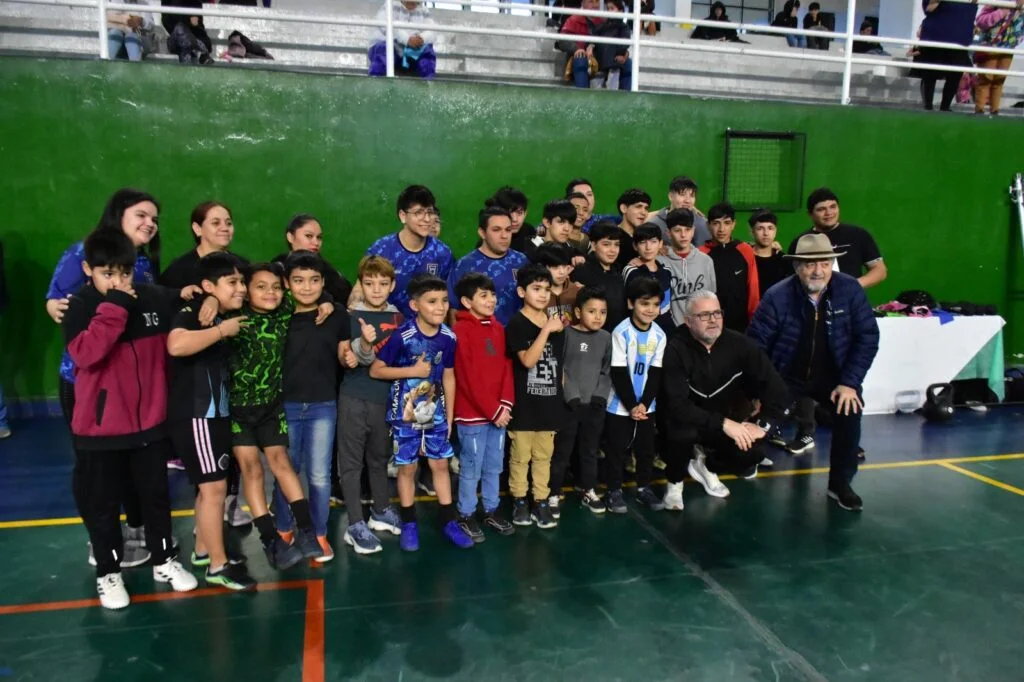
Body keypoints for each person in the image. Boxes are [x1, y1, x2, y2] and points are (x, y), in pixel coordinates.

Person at [63, 230, 199, 609]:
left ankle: (164, 560)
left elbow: (179, 298)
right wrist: (115, 307)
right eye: (107, 274)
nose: (118, 282)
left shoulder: (151, 297)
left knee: (155, 499)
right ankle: (108, 573)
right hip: (99, 431)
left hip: (150, 426)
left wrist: (197, 295)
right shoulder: (80, 307)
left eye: (124, 273)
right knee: (103, 505)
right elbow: (86, 355)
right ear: (88, 269)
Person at [46, 188, 177, 568]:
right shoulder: (83, 253)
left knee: (138, 463)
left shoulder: (142, 263)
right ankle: (101, 541)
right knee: (94, 470)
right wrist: (69, 309)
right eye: (141, 215)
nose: (149, 224)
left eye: (154, 219)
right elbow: (57, 305)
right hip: (87, 382)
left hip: (132, 385)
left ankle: (138, 529)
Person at [748, 234, 880, 512]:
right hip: (785, 376)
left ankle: (840, 485)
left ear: (832, 264)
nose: (818, 271)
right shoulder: (777, 296)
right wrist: (760, 391)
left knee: (850, 412)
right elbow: (755, 346)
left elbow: (867, 337)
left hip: (834, 378)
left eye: (824, 263)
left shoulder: (850, 290)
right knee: (753, 433)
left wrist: (850, 383)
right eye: (810, 264)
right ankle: (746, 463)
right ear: (797, 266)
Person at [225, 262, 329, 568]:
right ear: (246, 290)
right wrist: (207, 301)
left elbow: (316, 293)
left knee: (283, 464)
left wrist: (327, 302)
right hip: (237, 411)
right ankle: (270, 540)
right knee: (252, 471)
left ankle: (306, 531)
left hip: (271, 407)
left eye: (275, 287)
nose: (270, 292)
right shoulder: (233, 317)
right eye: (260, 287)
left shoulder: (284, 311)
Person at [165, 252, 256, 591]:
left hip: (212, 413)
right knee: (214, 489)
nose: (241, 288)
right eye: (232, 282)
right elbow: (176, 344)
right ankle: (218, 566)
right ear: (208, 285)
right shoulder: (195, 312)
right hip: (198, 414)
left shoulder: (216, 311)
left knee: (209, 489)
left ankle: (204, 550)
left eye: (242, 282)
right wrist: (221, 330)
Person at [160, 201, 251, 525]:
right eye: (216, 222)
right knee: (209, 480)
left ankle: (227, 507)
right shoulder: (179, 271)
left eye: (229, 221)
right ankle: (209, 537)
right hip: (197, 392)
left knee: (226, 460)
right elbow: (176, 335)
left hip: (228, 385)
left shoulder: (240, 266)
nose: (225, 227)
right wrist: (209, 299)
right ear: (197, 229)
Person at [370, 275, 474, 551]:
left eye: (444, 301)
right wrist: (412, 371)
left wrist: (449, 416)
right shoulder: (403, 336)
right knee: (408, 468)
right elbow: (376, 370)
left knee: (440, 465)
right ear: (415, 306)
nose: (440, 307)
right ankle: (409, 523)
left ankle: (448, 521)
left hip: (435, 411)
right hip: (406, 414)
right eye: (432, 302)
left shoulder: (448, 337)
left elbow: (449, 376)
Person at [659, 291, 790, 506]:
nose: (713, 320)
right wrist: (724, 424)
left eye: (717, 313)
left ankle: (707, 466)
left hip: (722, 420)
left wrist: (763, 425)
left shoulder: (740, 344)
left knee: (752, 452)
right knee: (682, 435)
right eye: (704, 315)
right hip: (684, 422)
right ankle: (675, 483)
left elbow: (778, 389)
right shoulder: (674, 348)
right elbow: (677, 406)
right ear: (688, 321)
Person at [268, 252, 353, 563]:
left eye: (314, 280)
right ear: (287, 284)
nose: (307, 287)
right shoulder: (278, 314)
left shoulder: (336, 315)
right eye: (299, 281)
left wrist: (350, 357)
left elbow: (343, 352)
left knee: (319, 475)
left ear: (323, 282)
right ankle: (283, 527)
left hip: (323, 405)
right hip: (285, 405)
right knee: (286, 471)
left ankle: (318, 532)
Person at [272, 213, 353, 505]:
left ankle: (326, 498)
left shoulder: (326, 272)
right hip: (287, 393)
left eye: (319, 237)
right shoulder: (275, 273)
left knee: (320, 464)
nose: (315, 242)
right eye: (309, 236)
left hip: (322, 387)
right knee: (288, 462)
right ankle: (283, 513)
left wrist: (328, 300)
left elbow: (345, 296)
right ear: (290, 236)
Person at [337, 256, 405, 555]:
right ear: (360, 285)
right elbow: (347, 357)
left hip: (385, 401)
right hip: (354, 398)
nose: (376, 289)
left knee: (379, 459)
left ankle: (380, 511)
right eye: (369, 283)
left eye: (382, 283)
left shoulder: (400, 318)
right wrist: (360, 347)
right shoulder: (350, 317)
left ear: (392, 285)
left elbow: (401, 357)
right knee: (351, 464)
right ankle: (355, 524)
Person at [452, 273, 516, 542]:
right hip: (472, 416)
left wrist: (505, 404)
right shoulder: (460, 331)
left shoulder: (499, 328)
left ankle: (491, 509)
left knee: (494, 465)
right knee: (471, 467)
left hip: (499, 415)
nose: (491, 300)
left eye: (492, 295)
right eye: (483, 295)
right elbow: (467, 377)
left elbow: (507, 368)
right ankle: (466, 514)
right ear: (467, 302)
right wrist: (493, 411)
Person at [505, 264, 567, 529]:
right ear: (522, 292)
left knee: (544, 457)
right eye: (536, 288)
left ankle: (540, 500)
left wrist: (560, 396)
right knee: (520, 457)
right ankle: (519, 500)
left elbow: (559, 365)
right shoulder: (517, 324)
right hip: (524, 405)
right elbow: (528, 360)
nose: (543, 294)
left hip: (549, 403)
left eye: (547, 289)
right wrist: (546, 330)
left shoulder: (555, 324)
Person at [603, 277, 668, 514]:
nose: (650, 309)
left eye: (655, 304)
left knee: (645, 450)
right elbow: (618, 372)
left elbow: (656, 372)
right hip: (619, 405)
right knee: (616, 450)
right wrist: (631, 405)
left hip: (646, 406)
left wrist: (645, 404)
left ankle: (643, 488)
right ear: (631, 304)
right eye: (644, 303)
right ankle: (613, 491)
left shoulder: (659, 335)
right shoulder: (621, 332)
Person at [553, 286, 611, 514]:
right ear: (578, 312)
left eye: (603, 312)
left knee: (589, 451)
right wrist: (572, 397)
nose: (598, 317)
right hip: (569, 406)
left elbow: (606, 370)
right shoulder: (566, 334)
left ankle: (588, 489)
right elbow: (561, 368)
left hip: (594, 408)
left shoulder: (605, 338)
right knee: (562, 452)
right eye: (592, 311)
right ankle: (553, 492)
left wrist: (599, 396)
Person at [365, 185, 453, 319]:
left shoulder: (442, 253)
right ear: (403, 216)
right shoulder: (381, 249)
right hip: (387, 326)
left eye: (430, 212)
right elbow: (362, 290)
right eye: (418, 213)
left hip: (426, 327)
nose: (427, 219)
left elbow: (447, 299)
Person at [788, 188, 887, 289]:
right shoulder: (801, 242)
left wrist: (852, 286)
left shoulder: (858, 235)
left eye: (833, 207)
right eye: (821, 209)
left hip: (850, 298)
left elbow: (880, 270)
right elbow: (791, 279)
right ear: (810, 214)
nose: (829, 213)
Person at [449, 207, 529, 326]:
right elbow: (454, 310)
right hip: (479, 336)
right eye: (496, 230)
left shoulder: (521, 261)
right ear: (482, 233)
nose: (504, 236)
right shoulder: (464, 266)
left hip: (518, 334)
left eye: (508, 230)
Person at [699, 203, 759, 332]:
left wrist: (753, 322)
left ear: (733, 224)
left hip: (741, 327)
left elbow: (753, 289)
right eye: (716, 223)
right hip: (709, 326)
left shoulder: (745, 250)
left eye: (727, 223)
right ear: (708, 225)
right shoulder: (700, 254)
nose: (721, 229)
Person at [913, 0, 977, 111]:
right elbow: (928, 8)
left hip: (960, 39)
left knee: (955, 75)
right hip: (935, 38)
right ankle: (927, 106)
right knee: (930, 73)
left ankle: (945, 107)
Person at [658, 208, 716, 329]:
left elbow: (711, 299)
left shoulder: (706, 261)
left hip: (700, 329)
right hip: (671, 330)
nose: (683, 235)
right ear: (668, 233)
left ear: (693, 231)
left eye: (687, 229)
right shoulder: (659, 261)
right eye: (677, 230)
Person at [571, 222, 627, 331]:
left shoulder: (619, 271)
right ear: (593, 245)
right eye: (606, 244)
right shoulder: (582, 270)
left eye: (616, 245)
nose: (612, 250)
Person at [973, 2, 1024, 116]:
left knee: (999, 81)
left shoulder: (1020, 7)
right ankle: (979, 110)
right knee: (985, 80)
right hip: (990, 46)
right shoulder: (994, 4)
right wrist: (1002, 11)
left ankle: (995, 111)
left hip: (1009, 47)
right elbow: (980, 21)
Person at [622, 224, 674, 332]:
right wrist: (643, 268)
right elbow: (627, 306)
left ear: (660, 244)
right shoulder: (631, 271)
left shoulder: (667, 271)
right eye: (642, 242)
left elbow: (668, 306)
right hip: (639, 331)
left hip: (666, 331)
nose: (648, 247)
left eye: (653, 241)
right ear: (635, 246)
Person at [368, 0, 436, 79]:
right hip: (392, 48)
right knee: (383, 49)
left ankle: (428, 83)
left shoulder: (424, 10)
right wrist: (406, 39)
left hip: (412, 52)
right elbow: (384, 25)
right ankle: (375, 81)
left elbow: (432, 31)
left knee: (427, 51)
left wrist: (422, 38)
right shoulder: (390, 5)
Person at [648, 176, 712, 249]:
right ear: (670, 196)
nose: (687, 201)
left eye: (692, 196)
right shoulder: (654, 224)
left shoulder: (703, 224)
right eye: (682, 195)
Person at [535, 242, 583, 325]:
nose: (562, 272)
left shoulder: (577, 291)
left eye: (564, 266)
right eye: (555, 267)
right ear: (542, 267)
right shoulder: (536, 295)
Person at [748, 210, 790, 296]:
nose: (766, 233)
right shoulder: (745, 258)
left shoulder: (784, 260)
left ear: (775, 231)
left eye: (770, 228)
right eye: (760, 228)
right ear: (752, 232)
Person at [485, 186, 535, 255]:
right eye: (508, 213)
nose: (515, 219)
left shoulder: (529, 230)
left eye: (519, 213)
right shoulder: (488, 242)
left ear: (525, 214)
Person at [526, 198, 578, 263]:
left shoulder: (571, 251)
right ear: (547, 222)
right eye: (561, 222)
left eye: (571, 223)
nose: (567, 229)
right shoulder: (529, 250)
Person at [161, 0, 213, 64]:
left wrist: (187, 20)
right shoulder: (168, 2)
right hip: (176, 41)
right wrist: (188, 19)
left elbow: (196, 24)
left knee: (184, 40)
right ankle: (201, 51)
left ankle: (195, 53)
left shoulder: (195, 2)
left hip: (194, 39)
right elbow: (167, 23)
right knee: (179, 29)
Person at [614, 188, 651, 269]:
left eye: (646, 208)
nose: (643, 212)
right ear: (624, 208)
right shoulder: (612, 236)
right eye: (638, 206)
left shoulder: (646, 238)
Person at [566, 192, 594, 256]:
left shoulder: (586, 240)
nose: (581, 213)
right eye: (575, 208)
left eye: (585, 210)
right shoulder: (556, 237)